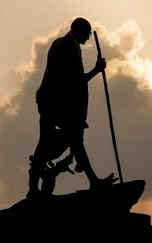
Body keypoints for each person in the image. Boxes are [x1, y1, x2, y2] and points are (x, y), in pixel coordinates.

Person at [27, 17, 117, 198]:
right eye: (87, 33)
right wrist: (97, 69)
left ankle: (92, 181)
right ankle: (35, 189)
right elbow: (74, 81)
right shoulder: (66, 47)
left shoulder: (69, 46)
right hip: (53, 102)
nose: (89, 38)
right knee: (54, 142)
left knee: (66, 140)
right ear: (79, 30)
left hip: (55, 101)